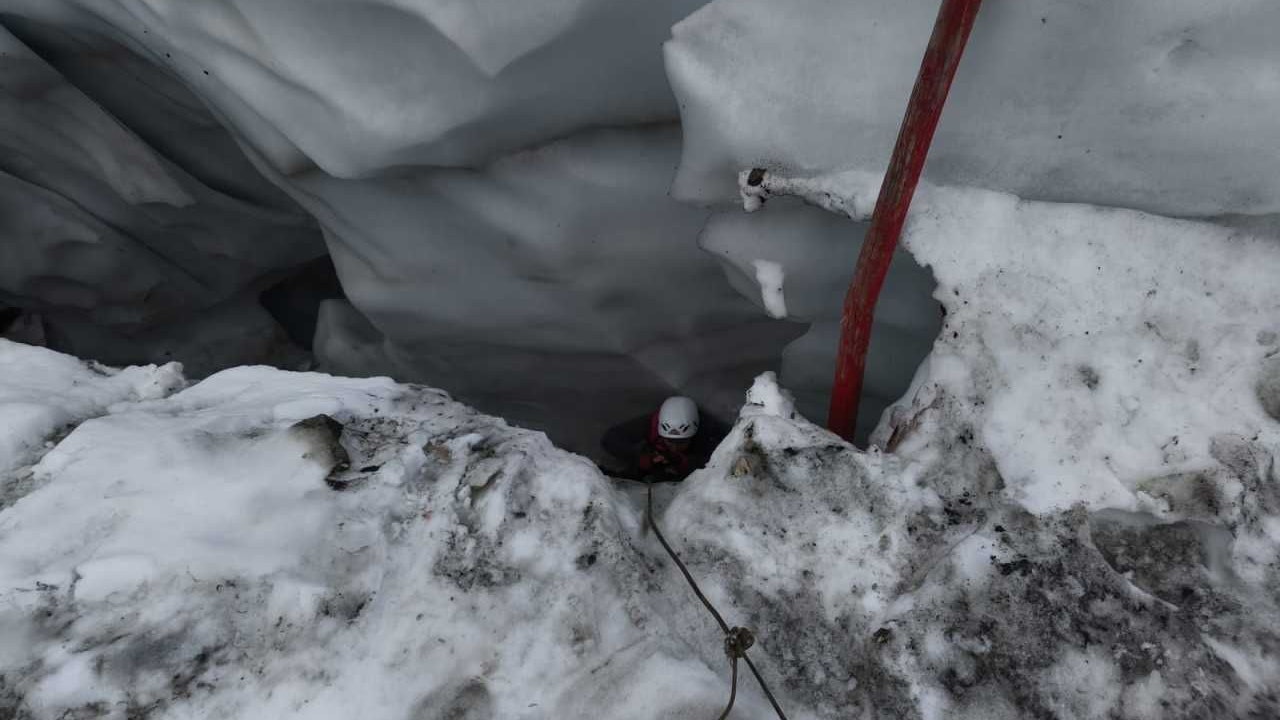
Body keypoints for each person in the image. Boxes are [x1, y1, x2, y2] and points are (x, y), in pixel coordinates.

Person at [601, 396, 728, 482]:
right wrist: (641, 457)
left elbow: (723, 459)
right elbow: (611, 439)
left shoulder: (707, 431)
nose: (674, 447)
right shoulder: (650, 424)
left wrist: (684, 462)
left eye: (681, 442)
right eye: (669, 441)